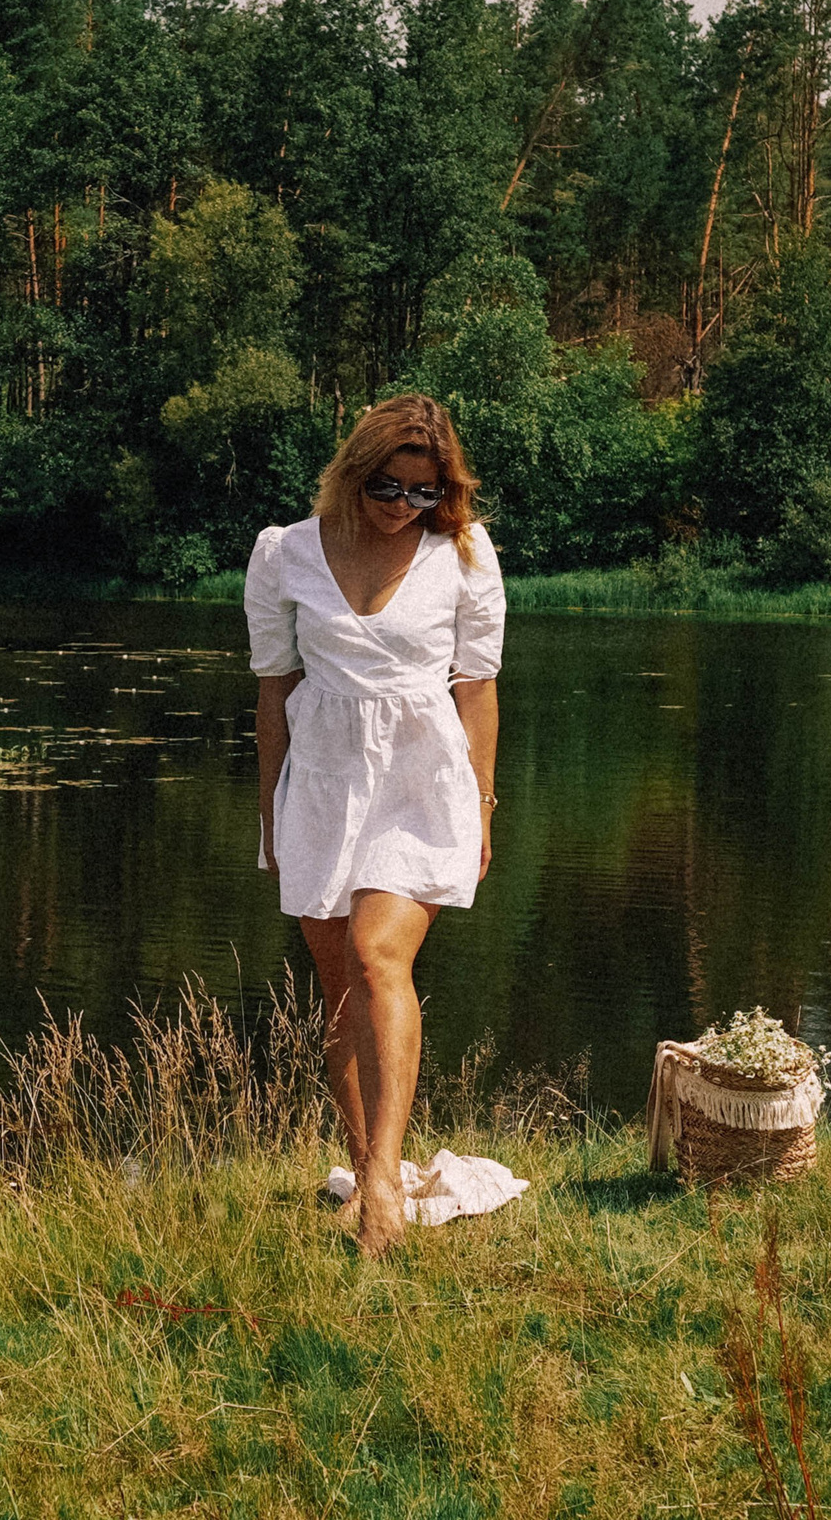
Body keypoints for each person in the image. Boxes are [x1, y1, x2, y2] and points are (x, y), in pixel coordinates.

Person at [245, 393, 504, 1257]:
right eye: (390, 489)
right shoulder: (286, 555)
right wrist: (268, 807)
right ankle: (366, 1170)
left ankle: (386, 1183)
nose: (405, 508)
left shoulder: (462, 556)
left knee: (376, 952)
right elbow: (274, 692)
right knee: (338, 990)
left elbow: (476, 688)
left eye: (425, 493)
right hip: (319, 782)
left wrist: (484, 803)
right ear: (356, 473)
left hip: (421, 785)